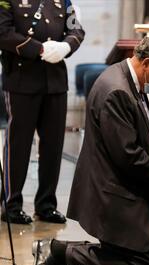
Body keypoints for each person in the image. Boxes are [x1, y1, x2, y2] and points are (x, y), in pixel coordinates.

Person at [32, 33, 149, 265]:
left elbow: (138, 136)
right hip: (112, 191)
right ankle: (55, 251)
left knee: (147, 255)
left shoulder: (128, 79)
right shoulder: (117, 90)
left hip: (119, 184)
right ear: (148, 62)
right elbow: (127, 155)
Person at [0, 0, 85, 224]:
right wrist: (38, 49)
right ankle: (11, 204)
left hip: (55, 81)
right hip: (21, 80)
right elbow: (3, 33)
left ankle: (46, 205)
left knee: (53, 146)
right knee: (18, 145)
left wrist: (66, 46)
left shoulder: (62, 1)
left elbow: (76, 28)